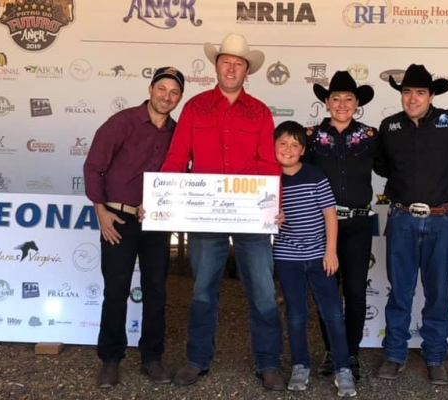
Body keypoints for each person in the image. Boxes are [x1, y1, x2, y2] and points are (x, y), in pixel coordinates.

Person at [160, 33, 286, 391]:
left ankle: (268, 362)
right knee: (202, 290)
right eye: (225, 62)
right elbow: (176, 158)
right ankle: (197, 359)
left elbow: (269, 165)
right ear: (216, 66)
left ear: (247, 71)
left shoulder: (260, 111)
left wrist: (263, 202)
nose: (231, 68)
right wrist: (161, 201)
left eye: (238, 64)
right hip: (205, 216)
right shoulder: (195, 107)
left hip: (250, 214)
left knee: (262, 291)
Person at [83, 67, 185, 388]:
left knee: (157, 290)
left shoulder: (178, 132)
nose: (166, 96)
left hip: (156, 222)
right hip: (118, 219)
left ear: (179, 98)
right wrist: (101, 211)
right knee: (116, 290)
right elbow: (93, 167)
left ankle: (152, 358)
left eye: (174, 92)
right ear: (150, 88)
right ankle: (111, 359)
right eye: (162, 89)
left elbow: (182, 175)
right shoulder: (122, 122)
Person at [374, 64, 448, 384]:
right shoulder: (389, 127)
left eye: (420, 92)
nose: (412, 98)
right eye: (407, 92)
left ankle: (435, 355)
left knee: (438, 292)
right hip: (401, 218)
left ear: (431, 95)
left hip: (442, 219)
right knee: (399, 291)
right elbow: (383, 167)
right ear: (401, 95)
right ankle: (395, 353)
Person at [272, 120, 357, 398]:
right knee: (296, 314)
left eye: (295, 144)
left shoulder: (315, 175)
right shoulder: (268, 180)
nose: (288, 149)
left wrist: (330, 251)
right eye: (282, 143)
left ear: (303, 149)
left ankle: (343, 368)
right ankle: (300, 365)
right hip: (287, 257)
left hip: (320, 256)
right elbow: (260, 219)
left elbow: (330, 214)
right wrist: (273, 220)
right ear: (273, 146)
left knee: (332, 312)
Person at [304, 70, 379, 380]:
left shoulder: (371, 136)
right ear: (326, 101)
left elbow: (397, 167)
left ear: (357, 103)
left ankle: (351, 352)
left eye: (349, 99)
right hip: (323, 225)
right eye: (336, 98)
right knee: (327, 292)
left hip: (359, 225)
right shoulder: (310, 137)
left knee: (355, 292)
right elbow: (296, 176)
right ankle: (332, 350)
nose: (342, 104)